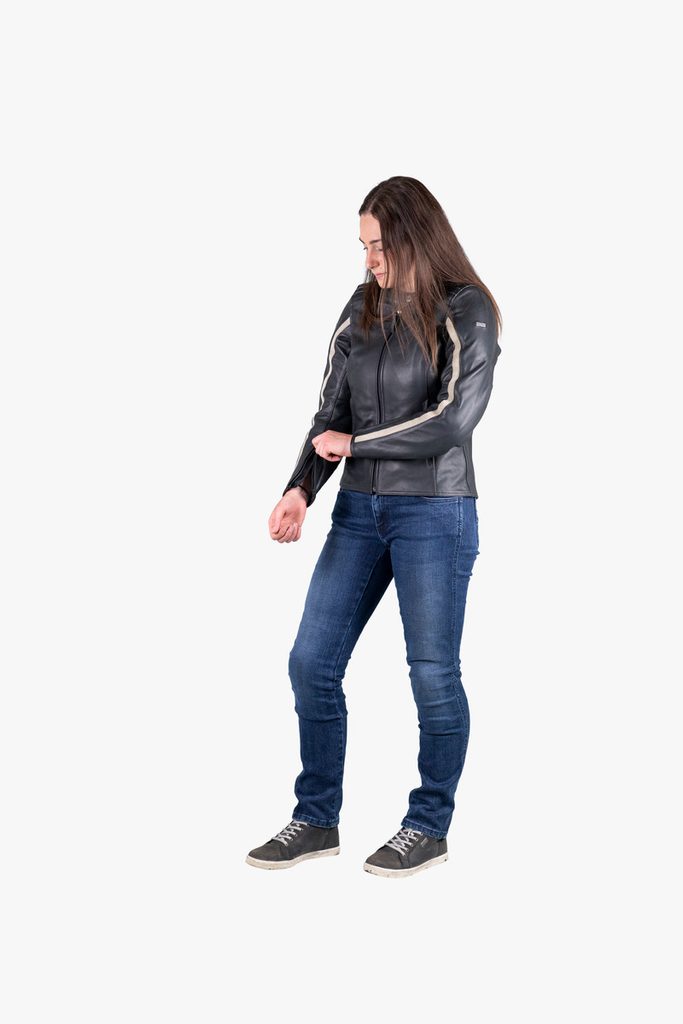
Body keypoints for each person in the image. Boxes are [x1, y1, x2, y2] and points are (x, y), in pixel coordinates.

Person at [245, 176, 503, 877]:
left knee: (432, 674)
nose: (370, 260)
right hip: (359, 512)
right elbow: (330, 410)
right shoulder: (360, 307)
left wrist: (357, 445)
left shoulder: (467, 308)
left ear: (417, 235)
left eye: (380, 245)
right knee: (311, 663)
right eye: (362, 247)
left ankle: (427, 826)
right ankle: (315, 818)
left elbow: (452, 420)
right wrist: (300, 487)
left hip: (435, 512)